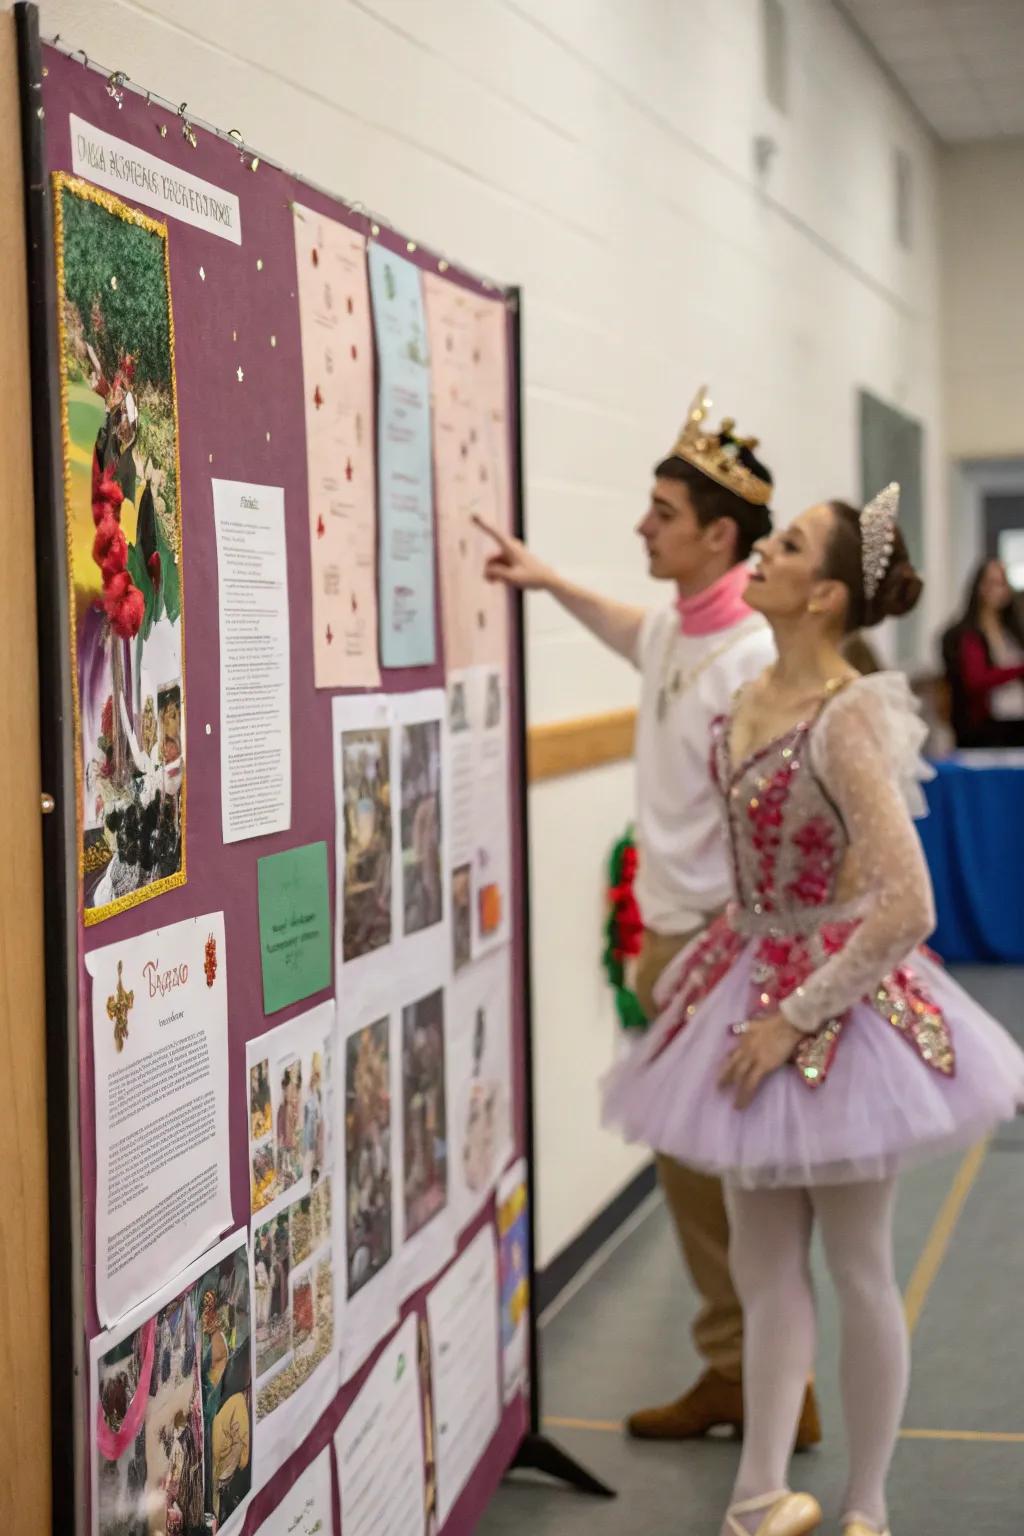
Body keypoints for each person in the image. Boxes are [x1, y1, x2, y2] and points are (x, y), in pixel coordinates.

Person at [602, 485, 1024, 1536]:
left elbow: (908, 905)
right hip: (740, 979)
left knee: (856, 1262)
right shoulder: (747, 696)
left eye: (786, 545)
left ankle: (867, 1502)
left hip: (836, 1003)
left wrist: (796, 1012)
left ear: (824, 593)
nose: (765, 551)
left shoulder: (847, 716)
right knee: (760, 1261)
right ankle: (756, 1493)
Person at [477, 387, 821, 1447]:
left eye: (660, 512)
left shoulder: (755, 662)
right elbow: (638, 633)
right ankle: (736, 1371)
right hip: (673, 943)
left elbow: (787, 833)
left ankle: (772, 1388)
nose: (642, 524)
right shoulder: (684, 628)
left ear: (720, 536)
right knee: (691, 1170)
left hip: (724, 947)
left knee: (743, 1180)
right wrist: (547, 581)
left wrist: (732, 955)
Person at [941, 558, 1024, 747]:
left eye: (1002, 582)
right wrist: (1018, 670)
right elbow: (975, 679)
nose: (997, 589)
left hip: (1017, 721)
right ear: (978, 586)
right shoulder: (967, 634)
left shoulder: (1014, 632)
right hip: (985, 729)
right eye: (991, 582)